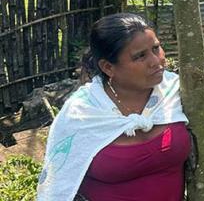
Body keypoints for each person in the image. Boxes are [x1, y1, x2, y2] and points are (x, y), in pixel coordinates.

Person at [37, 13, 191, 201]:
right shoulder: (82, 113)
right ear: (108, 67)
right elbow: (58, 183)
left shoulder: (175, 92)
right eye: (140, 56)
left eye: (156, 48)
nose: (156, 61)